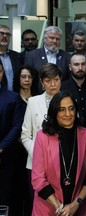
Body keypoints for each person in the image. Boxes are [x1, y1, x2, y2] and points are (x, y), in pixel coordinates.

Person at [32, 91, 86, 215]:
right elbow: (38, 179)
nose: (68, 114)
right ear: (54, 112)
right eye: (62, 109)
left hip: (80, 208)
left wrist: (75, 204)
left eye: (71, 108)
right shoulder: (42, 137)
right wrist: (59, 207)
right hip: (48, 209)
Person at [21, 63, 62, 212]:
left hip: (61, 164)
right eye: (48, 80)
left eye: (56, 79)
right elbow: (25, 134)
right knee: (40, 207)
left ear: (61, 80)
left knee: (61, 206)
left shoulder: (69, 101)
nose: (53, 84)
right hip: (36, 164)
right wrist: (38, 154)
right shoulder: (33, 102)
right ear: (42, 83)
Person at [12, 65, 39, 215]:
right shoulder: (13, 98)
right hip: (17, 151)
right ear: (18, 79)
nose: (27, 80)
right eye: (23, 77)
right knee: (17, 189)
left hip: (36, 150)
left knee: (32, 192)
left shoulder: (38, 98)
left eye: (29, 77)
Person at [0, 59, 25, 215]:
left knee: (4, 194)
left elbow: (17, 126)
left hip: (6, 154)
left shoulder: (12, 97)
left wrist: (1, 146)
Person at [0, 24, 21, 91]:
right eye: (1, 33)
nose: (5, 36)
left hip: (15, 95)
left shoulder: (17, 56)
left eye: (8, 34)